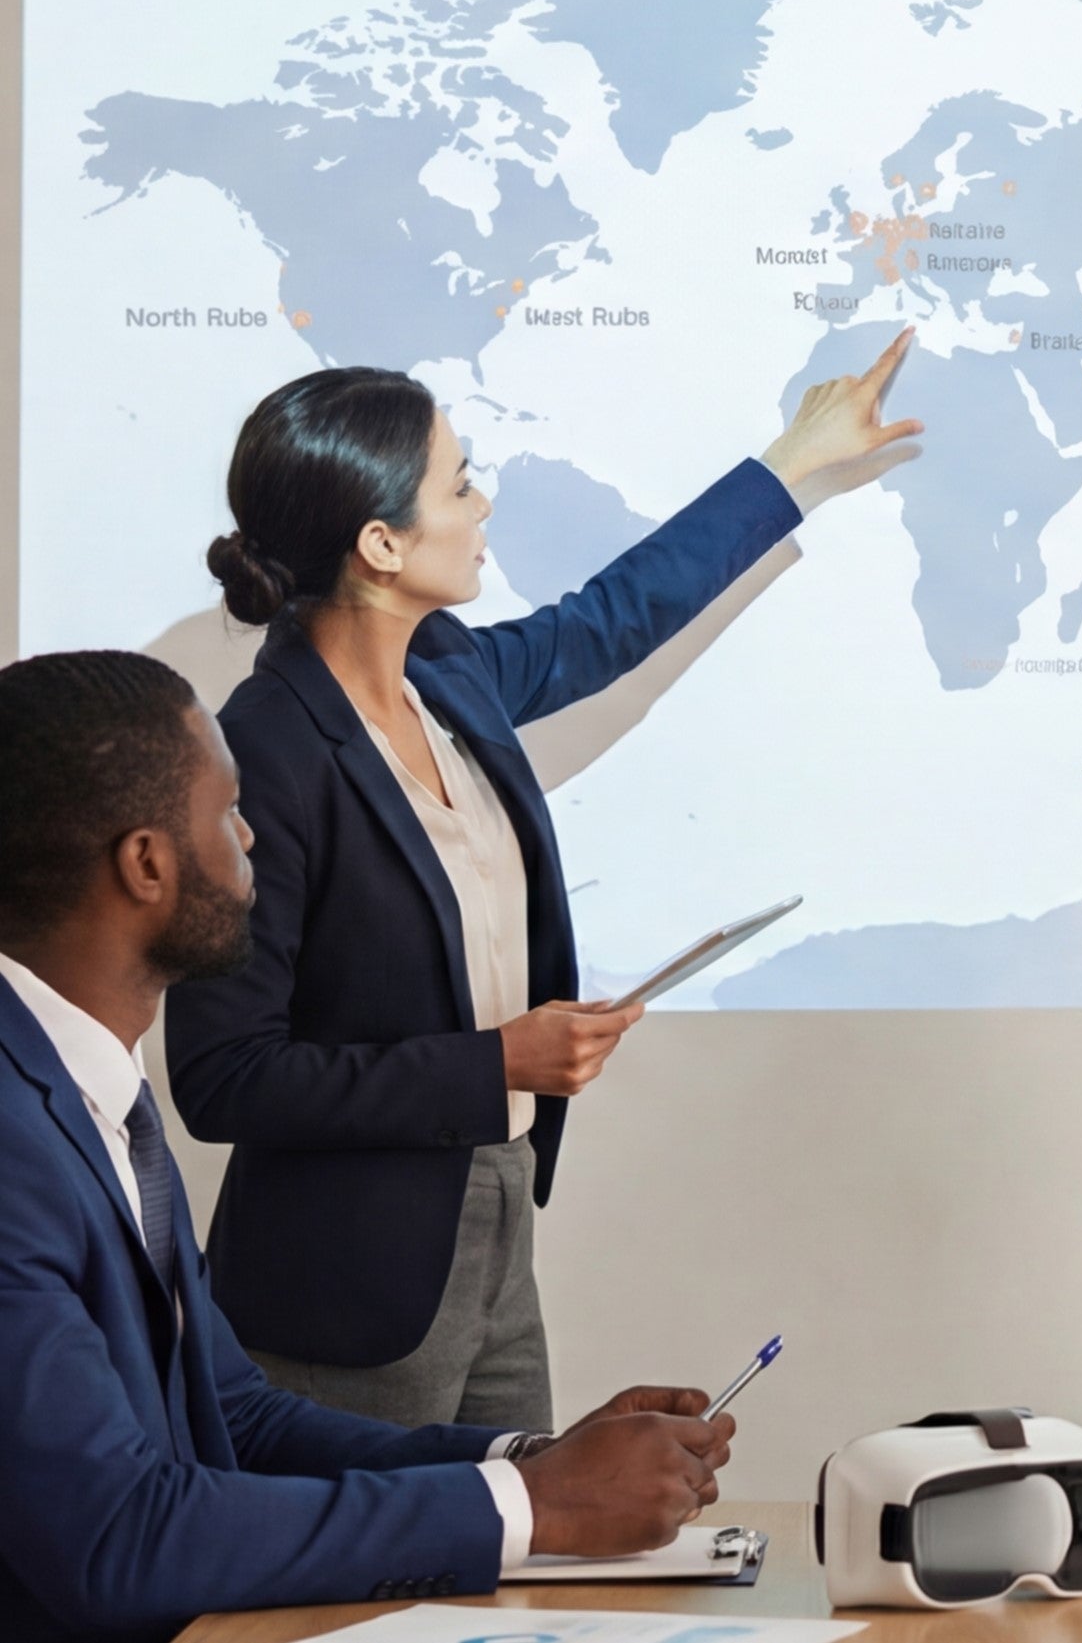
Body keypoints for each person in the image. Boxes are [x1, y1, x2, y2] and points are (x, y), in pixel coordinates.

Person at [165, 339, 922, 1429]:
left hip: (497, 1214)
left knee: (520, 1561)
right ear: (381, 543)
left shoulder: (448, 673)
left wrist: (790, 465)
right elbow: (225, 1076)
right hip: (348, 1285)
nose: (483, 502)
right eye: (459, 483)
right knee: (368, 1585)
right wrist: (495, 1061)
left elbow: (613, 617)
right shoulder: (265, 753)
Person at [0, 650, 737, 1643]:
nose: (253, 833)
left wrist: (528, 1464)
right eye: (228, 812)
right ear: (146, 865)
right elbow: (119, 1537)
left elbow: (240, 1423)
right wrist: (535, 1510)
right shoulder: (12, 1143)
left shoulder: (91, 1090)